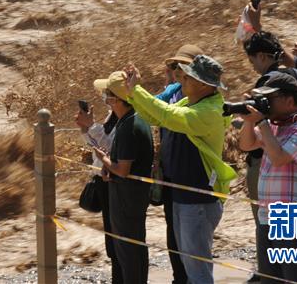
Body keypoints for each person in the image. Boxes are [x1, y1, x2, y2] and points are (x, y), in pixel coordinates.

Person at [116, 55, 236, 284]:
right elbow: (155, 116)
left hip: (198, 199)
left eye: (187, 78)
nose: (182, 81)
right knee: (191, 268)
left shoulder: (209, 111)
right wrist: (133, 92)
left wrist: (138, 91)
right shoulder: (193, 102)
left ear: (203, 84)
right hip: (185, 197)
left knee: (198, 271)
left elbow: (167, 115)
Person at [237, 72, 297, 284]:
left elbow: (279, 158)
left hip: (293, 217)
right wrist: (250, 122)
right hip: (267, 215)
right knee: (270, 280)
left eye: (270, 99)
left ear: (288, 100)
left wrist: (263, 123)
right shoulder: (276, 124)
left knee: (293, 279)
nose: (265, 104)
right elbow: (246, 145)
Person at [92, 71, 154, 284]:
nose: (104, 97)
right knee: (136, 247)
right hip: (133, 195)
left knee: (127, 251)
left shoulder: (128, 126)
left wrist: (104, 159)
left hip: (127, 198)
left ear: (116, 99)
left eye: (107, 93)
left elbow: (123, 170)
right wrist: (111, 167)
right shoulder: (135, 117)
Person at [156, 45, 204, 284]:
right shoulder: (173, 91)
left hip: (192, 175)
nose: (177, 71)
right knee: (173, 232)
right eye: (174, 66)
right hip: (170, 173)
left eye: (182, 66)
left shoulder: (204, 98)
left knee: (192, 240)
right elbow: (153, 109)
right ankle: (179, 277)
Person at [75, 99, 120, 283]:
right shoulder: (113, 115)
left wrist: (91, 126)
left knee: (119, 240)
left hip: (114, 181)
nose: (105, 98)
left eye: (109, 93)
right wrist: (86, 129)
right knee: (112, 240)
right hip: (104, 178)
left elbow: (110, 148)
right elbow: (98, 148)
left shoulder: (128, 118)